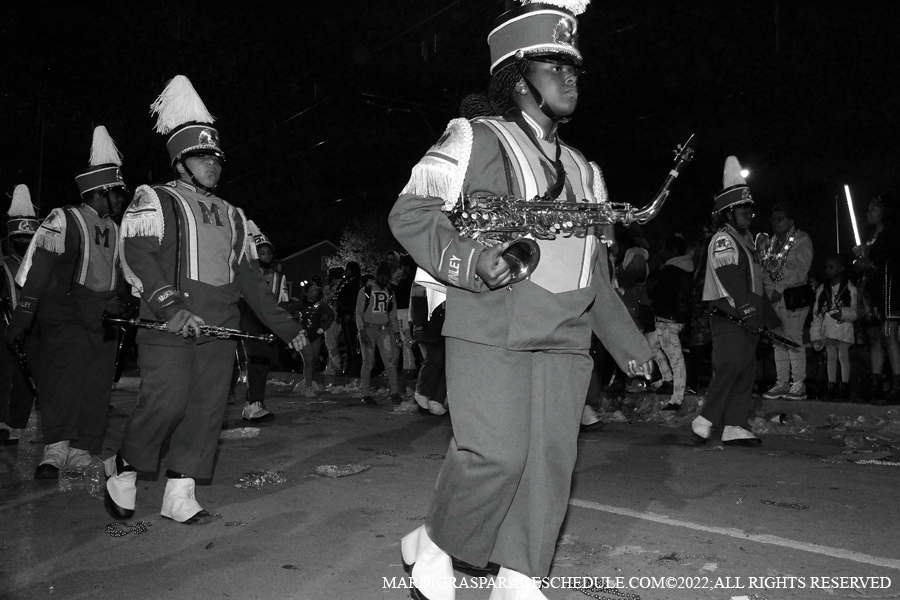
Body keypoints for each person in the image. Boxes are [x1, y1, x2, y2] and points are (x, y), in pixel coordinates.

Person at [389, 2, 654, 597]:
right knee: (495, 456)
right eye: (553, 66)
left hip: (565, 338)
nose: (569, 78)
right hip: (492, 324)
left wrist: (628, 344)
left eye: (573, 68)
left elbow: (594, 272)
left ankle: (519, 574)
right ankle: (435, 544)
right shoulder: (475, 138)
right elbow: (410, 214)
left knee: (549, 465)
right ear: (517, 79)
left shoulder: (586, 170)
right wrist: (470, 259)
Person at [104, 75, 306, 525]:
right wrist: (172, 308)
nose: (212, 165)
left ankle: (180, 492)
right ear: (180, 163)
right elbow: (137, 254)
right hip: (170, 323)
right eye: (201, 157)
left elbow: (251, 280)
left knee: (207, 410)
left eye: (216, 157)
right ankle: (124, 464)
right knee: (167, 402)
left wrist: (287, 328)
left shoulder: (235, 215)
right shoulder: (153, 198)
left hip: (220, 328)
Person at [7, 127, 128, 478]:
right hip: (65, 314)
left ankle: (82, 450)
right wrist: (22, 318)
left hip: (104, 318)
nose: (122, 199)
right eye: (117, 193)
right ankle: (55, 449)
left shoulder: (117, 228)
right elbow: (39, 271)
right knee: (63, 381)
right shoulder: (63, 218)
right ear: (99, 193)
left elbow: (121, 275)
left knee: (97, 385)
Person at [693, 156, 780, 447]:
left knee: (745, 371)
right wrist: (748, 309)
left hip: (747, 317)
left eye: (750, 209)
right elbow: (729, 276)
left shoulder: (746, 240)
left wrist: (767, 316)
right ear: (728, 213)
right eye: (743, 210)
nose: (749, 214)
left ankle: (735, 425)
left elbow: (755, 282)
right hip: (729, 315)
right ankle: (705, 419)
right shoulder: (723, 239)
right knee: (729, 367)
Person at [759, 203, 814, 400]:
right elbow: (765, 268)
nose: (775, 223)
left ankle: (798, 384)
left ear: (791, 221)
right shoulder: (771, 243)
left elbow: (800, 269)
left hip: (792, 297)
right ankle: (782, 383)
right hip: (773, 297)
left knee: (792, 339)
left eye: (780, 219)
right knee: (778, 341)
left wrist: (779, 289)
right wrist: (769, 292)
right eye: (772, 219)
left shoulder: (801, 239)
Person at [0, 184, 41, 445]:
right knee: (4, 375)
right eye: (20, 239)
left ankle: (16, 424)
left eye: (28, 238)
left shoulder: (41, 266)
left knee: (27, 377)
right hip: (5, 329)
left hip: (34, 329)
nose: (24, 243)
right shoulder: (3, 266)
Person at [239, 224, 291, 421]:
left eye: (269, 252)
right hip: (251, 322)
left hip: (269, 324)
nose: (266, 256)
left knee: (262, 364)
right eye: (262, 252)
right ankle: (253, 405)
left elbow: (282, 303)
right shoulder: (249, 274)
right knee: (256, 363)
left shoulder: (278, 277)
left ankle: (252, 404)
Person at [853, 194, 900, 404]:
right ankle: (876, 383)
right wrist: (859, 261)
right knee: (873, 338)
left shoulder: (893, 235)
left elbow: (888, 261)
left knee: (889, 334)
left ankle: (897, 385)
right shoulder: (870, 236)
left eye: (874, 209)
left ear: (885, 212)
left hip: (888, 292)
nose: (868, 212)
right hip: (870, 294)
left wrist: (869, 260)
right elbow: (862, 265)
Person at [648, 235, 694, 410]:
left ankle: (676, 399)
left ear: (672, 251)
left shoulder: (670, 271)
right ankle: (667, 379)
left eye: (664, 249)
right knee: (650, 344)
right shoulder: (685, 269)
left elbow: (656, 293)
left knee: (676, 360)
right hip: (674, 318)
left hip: (667, 320)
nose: (661, 252)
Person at [810, 254, 858, 401]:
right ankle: (831, 385)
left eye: (832, 267)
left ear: (841, 268)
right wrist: (816, 335)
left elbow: (855, 312)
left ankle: (844, 386)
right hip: (829, 329)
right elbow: (817, 314)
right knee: (830, 356)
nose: (828, 270)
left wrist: (841, 314)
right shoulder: (822, 289)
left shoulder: (849, 288)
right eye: (827, 267)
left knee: (843, 356)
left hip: (843, 328)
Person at [356, 261, 402, 405]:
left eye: (386, 276)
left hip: (384, 330)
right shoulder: (365, 290)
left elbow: (393, 315)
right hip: (368, 330)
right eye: (382, 276)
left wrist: (396, 333)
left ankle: (395, 393)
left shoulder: (390, 293)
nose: (384, 279)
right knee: (368, 362)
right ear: (377, 275)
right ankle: (366, 394)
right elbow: (358, 313)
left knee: (390, 362)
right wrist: (361, 331)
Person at [288, 279, 335, 396]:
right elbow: (287, 313)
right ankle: (309, 388)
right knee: (308, 361)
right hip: (303, 335)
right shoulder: (300, 304)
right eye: (312, 291)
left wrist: (323, 328)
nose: (315, 293)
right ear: (306, 293)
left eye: (316, 291)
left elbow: (331, 315)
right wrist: (294, 327)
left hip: (316, 334)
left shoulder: (320, 304)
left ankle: (307, 381)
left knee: (313, 361)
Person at [408, 280, 447, 416]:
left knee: (447, 363)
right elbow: (418, 303)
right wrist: (419, 326)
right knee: (435, 358)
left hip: (447, 324)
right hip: (430, 325)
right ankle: (422, 391)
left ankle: (437, 399)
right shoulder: (424, 278)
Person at [335, 261, 362, 376]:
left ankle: (356, 368)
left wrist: (350, 313)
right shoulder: (346, 282)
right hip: (344, 314)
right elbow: (340, 298)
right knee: (348, 343)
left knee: (353, 343)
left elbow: (354, 300)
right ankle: (350, 367)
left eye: (347, 269)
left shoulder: (355, 283)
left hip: (350, 316)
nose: (345, 272)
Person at [322, 267, 345, 375]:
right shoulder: (342, 284)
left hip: (333, 315)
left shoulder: (336, 286)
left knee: (331, 342)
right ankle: (332, 366)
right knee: (331, 342)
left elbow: (330, 299)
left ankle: (336, 366)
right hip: (334, 314)